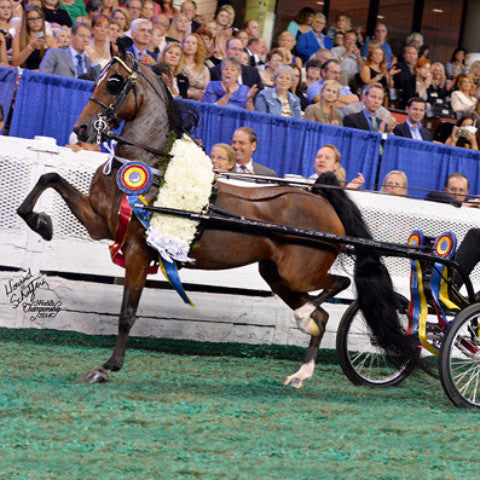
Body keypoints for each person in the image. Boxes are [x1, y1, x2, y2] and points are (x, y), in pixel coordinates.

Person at [12, 5, 56, 69]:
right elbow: (15, 63)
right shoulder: (18, 38)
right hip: (26, 75)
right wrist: (31, 47)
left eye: (38, 18)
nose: (35, 22)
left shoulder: (50, 40)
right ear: (26, 21)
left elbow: (56, 65)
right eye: (31, 19)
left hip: (44, 75)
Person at [181, 33, 210, 101]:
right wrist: (191, 94)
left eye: (193, 43)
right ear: (183, 45)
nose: (190, 45)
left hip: (199, 103)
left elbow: (207, 90)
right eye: (187, 42)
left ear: (198, 47)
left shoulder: (204, 69)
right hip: (182, 101)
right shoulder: (177, 66)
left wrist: (202, 94)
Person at [394, 45, 419, 109]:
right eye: (409, 53)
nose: (411, 56)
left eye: (414, 54)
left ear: (417, 56)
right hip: (404, 97)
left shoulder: (419, 68)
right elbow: (402, 82)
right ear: (404, 55)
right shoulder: (399, 66)